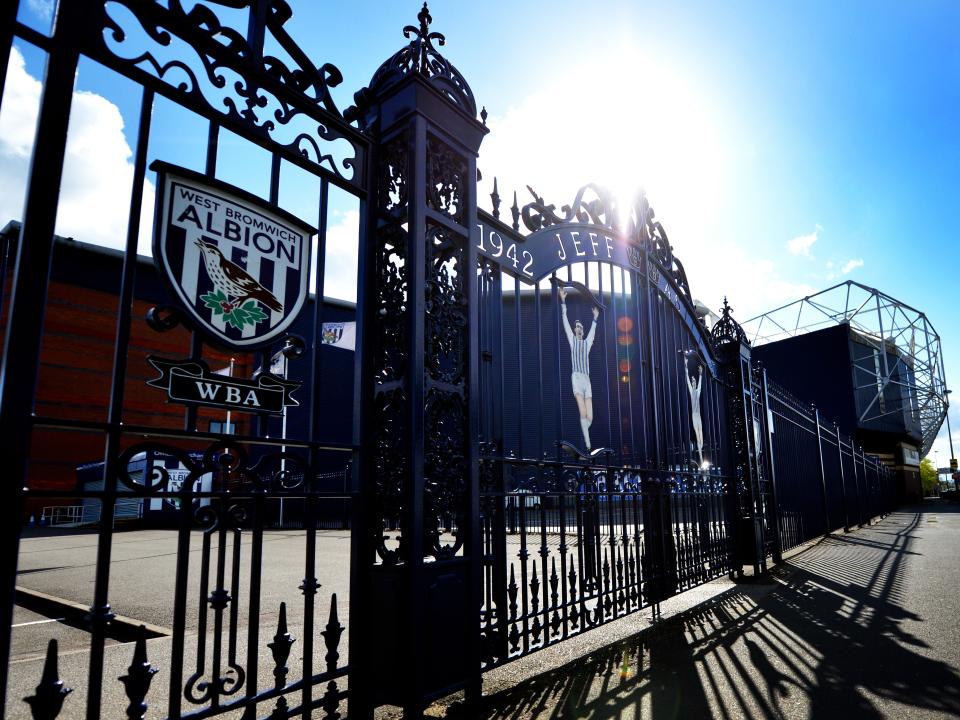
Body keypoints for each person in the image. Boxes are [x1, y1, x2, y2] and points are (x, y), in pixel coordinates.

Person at [559, 286, 600, 450]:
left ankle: (584, 432)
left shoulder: (586, 343)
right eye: (577, 327)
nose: (579, 329)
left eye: (581, 328)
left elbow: (593, 332)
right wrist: (563, 302)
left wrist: (595, 319)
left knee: (590, 416)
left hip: (586, 379)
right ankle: (587, 443)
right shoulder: (572, 341)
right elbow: (565, 322)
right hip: (576, 376)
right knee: (582, 412)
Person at [684, 353, 704, 464]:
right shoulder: (692, 392)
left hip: (698, 416)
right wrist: (686, 366)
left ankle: (701, 457)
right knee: (697, 435)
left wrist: (700, 375)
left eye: (694, 381)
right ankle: (700, 458)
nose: (693, 382)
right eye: (692, 382)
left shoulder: (697, 391)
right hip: (694, 416)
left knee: (701, 436)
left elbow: (700, 384)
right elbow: (687, 379)